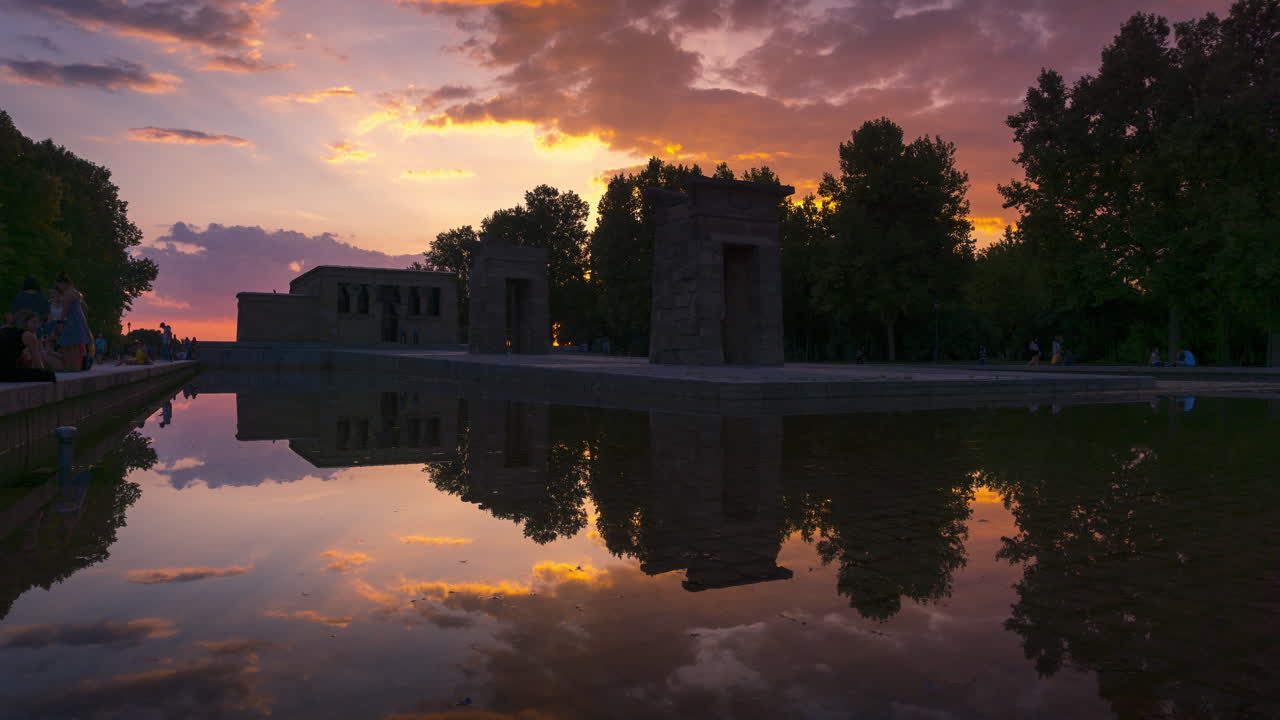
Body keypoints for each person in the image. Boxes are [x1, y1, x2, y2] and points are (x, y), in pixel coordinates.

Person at [1, 310, 56, 383]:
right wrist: (43, 373)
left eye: (37, 322)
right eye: (34, 322)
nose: (37, 325)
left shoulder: (3, 329)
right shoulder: (29, 336)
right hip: (7, 373)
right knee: (49, 375)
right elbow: (38, 363)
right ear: (24, 322)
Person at [54, 272, 91, 372]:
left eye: (59, 286)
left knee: (70, 345)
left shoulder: (67, 294)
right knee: (75, 345)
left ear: (63, 283)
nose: (59, 289)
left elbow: (64, 311)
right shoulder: (76, 292)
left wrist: (59, 323)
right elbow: (85, 308)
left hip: (72, 320)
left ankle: (71, 367)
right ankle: (75, 367)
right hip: (79, 319)